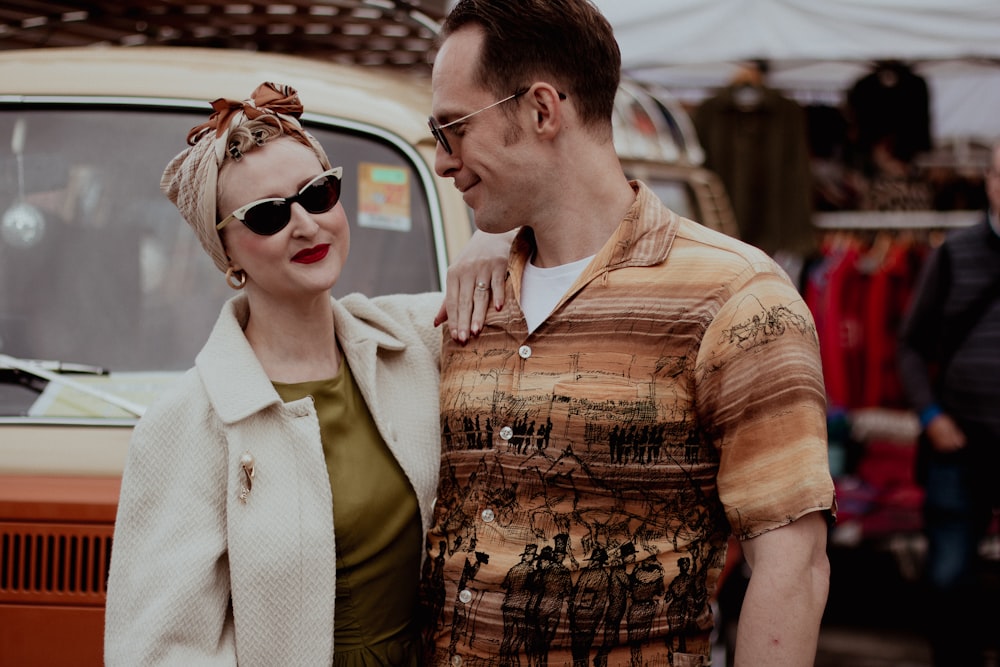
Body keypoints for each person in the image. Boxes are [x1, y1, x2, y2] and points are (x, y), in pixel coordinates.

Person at [418, 2, 837, 666]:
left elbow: (793, 565)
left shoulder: (736, 297)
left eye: (453, 129)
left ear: (542, 111)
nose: (442, 161)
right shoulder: (473, 295)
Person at [103, 81, 508, 666]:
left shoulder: (413, 339)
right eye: (267, 215)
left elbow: (561, 230)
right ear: (228, 254)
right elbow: (159, 651)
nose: (304, 224)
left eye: (318, 194)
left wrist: (491, 238)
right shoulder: (187, 424)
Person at [897, 141, 1000, 667]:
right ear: (988, 180)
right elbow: (911, 346)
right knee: (948, 576)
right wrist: (931, 415)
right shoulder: (955, 253)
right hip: (958, 442)